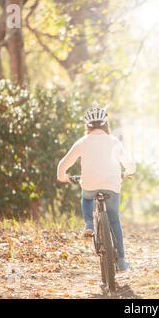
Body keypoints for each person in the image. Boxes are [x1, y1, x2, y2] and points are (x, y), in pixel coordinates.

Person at [57, 104, 136, 272]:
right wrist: (128, 172)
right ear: (106, 124)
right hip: (112, 185)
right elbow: (130, 164)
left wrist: (63, 177)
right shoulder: (114, 141)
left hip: (90, 184)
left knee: (86, 198)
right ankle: (121, 261)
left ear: (87, 125)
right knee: (115, 221)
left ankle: (88, 224)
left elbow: (62, 165)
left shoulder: (82, 142)